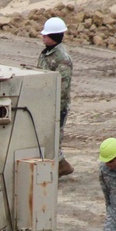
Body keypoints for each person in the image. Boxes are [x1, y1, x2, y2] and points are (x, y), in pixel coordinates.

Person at [37, 17, 73, 177]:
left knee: (54, 137)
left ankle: (60, 166)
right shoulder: (46, 53)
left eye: (47, 35)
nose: (43, 37)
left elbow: (62, 89)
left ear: (56, 36)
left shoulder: (62, 58)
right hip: (44, 103)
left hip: (56, 105)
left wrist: (54, 109)